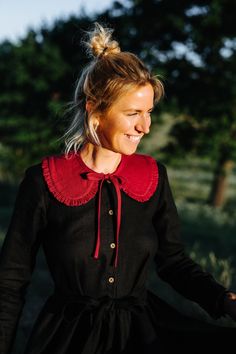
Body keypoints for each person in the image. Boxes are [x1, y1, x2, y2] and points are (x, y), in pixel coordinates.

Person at [0, 22, 236, 354]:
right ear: (94, 108)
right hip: (68, 340)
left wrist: (222, 300)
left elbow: (174, 262)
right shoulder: (43, 181)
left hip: (141, 335)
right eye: (133, 113)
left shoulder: (154, 176)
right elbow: (9, 283)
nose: (146, 126)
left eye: (150, 112)